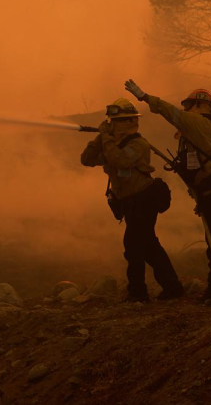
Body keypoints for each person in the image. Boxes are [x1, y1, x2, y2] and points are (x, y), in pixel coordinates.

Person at [123, 80, 211, 306]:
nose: (185, 110)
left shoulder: (197, 121)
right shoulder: (207, 128)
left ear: (199, 106)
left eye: (188, 106)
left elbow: (171, 112)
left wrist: (144, 97)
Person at [81, 98, 184, 303]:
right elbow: (87, 159)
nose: (112, 125)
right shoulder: (112, 145)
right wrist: (100, 138)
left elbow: (120, 160)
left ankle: (138, 292)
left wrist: (106, 137)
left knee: (133, 245)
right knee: (149, 246)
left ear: (130, 121)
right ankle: (172, 287)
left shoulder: (138, 144)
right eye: (111, 121)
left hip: (144, 199)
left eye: (116, 121)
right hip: (129, 202)